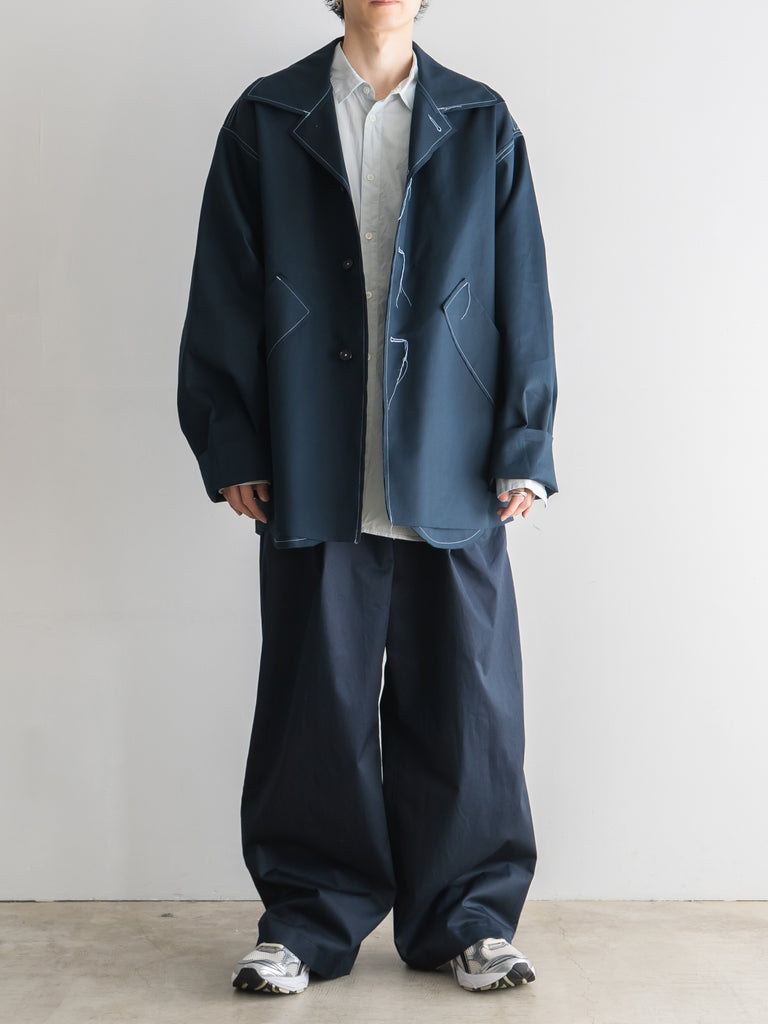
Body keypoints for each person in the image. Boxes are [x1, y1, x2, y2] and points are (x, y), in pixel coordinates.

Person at [177, 0, 558, 996]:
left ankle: (470, 917)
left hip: (453, 461)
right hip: (314, 458)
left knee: (468, 704)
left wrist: (525, 442)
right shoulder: (269, 117)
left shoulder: (480, 120)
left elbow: (520, 288)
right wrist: (231, 436)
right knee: (315, 701)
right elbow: (223, 286)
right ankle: (307, 920)